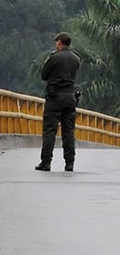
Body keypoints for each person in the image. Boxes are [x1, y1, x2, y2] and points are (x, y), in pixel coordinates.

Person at [35, 32, 81, 172]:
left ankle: (46, 162)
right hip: (70, 97)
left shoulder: (54, 58)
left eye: (57, 42)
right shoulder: (76, 59)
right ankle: (69, 162)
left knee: (50, 130)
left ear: (60, 42)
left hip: (55, 97)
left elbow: (44, 75)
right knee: (69, 131)